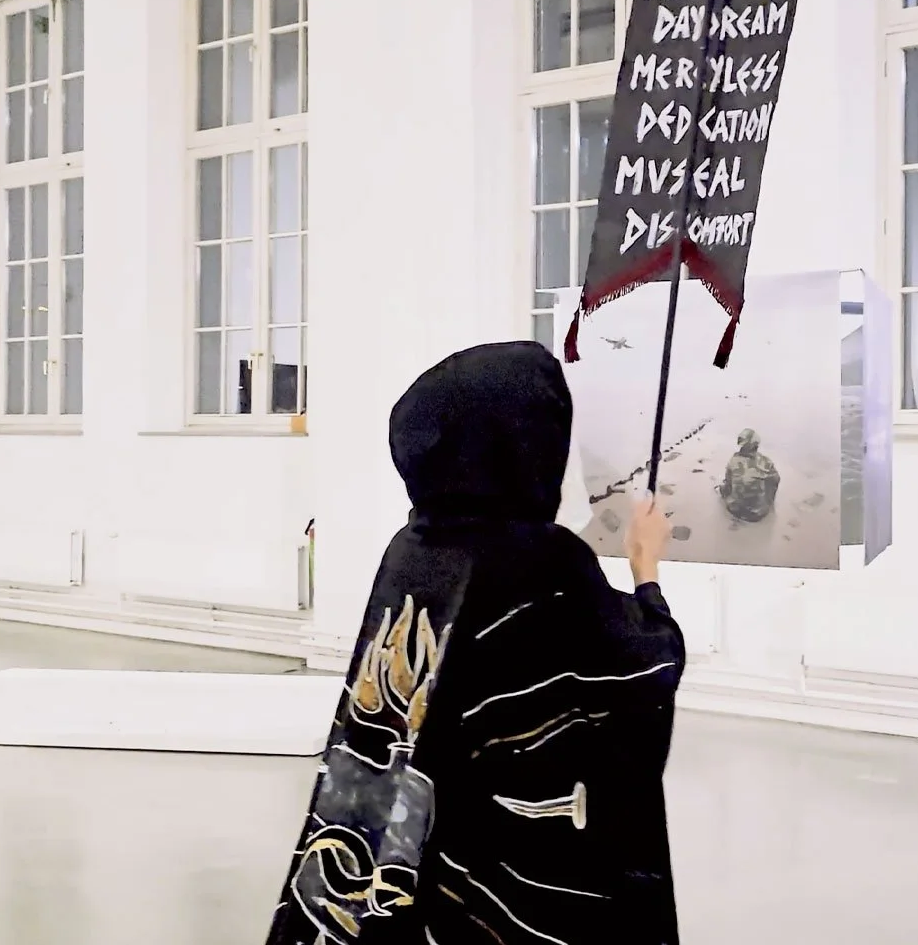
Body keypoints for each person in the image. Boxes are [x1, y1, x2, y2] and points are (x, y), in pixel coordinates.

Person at [265, 341, 687, 945]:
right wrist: (645, 569)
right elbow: (642, 674)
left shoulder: (411, 548)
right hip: (505, 875)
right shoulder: (545, 561)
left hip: (411, 851)